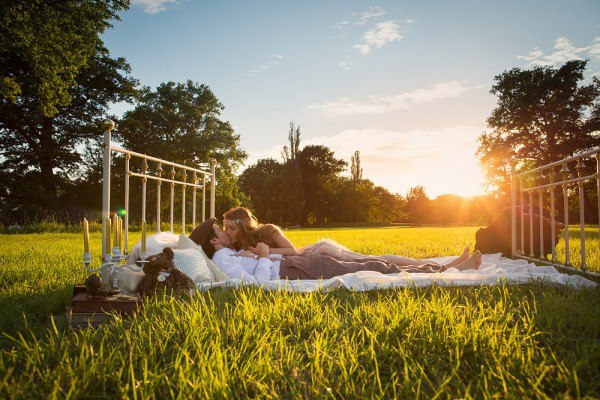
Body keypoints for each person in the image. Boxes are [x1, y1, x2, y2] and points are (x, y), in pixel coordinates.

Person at [189, 218, 483, 283]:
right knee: (379, 268)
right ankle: (453, 269)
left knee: (374, 261)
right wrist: (265, 257)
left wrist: (264, 255)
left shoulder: (229, 252)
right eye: (219, 231)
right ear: (213, 242)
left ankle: (450, 266)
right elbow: (255, 284)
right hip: (293, 269)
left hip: (299, 261)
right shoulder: (223, 258)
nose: (224, 232)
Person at [221, 207, 297, 256]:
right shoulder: (235, 244)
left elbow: (292, 251)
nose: (228, 232)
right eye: (226, 228)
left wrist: (263, 251)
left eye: (232, 228)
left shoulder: (268, 231)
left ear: (244, 227)